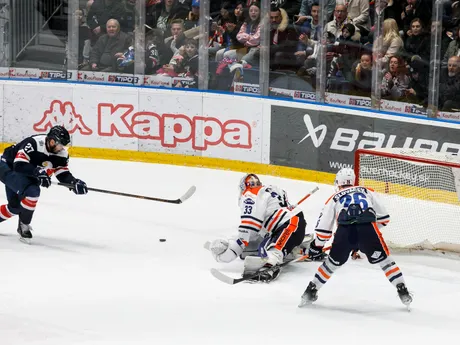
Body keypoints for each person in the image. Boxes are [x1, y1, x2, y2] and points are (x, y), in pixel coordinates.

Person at [298, 168, 412, 308]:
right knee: (386, 262)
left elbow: (323, 231)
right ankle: (402, 290)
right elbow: (384, 219)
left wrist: (316, 247)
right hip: (368, 230)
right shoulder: (367, 190)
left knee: (330, 265)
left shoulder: (334, 198)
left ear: (338, 182)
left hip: (344, 232)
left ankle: (310, 291)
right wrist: (365, 234)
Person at [209, 173, 306, 283]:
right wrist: (236, 244)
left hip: (289, 225)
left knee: (272, 252)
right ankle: (297, 248)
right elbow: (255, 232)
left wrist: (231, 251)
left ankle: (269, 267)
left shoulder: (250, 194)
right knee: (261, 245)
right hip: (291, 224)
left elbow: (249, 228)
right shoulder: (271, 189)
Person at [0, 126, 88, 240]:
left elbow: (62, 174)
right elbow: (19, 165)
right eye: (60, 144)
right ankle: (24, 225)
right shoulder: (34, 143)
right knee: (32, 192)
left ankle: (21, 221)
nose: (62, 148)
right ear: (52, 141)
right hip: (8, 167)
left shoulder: (61, 154)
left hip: (26, 173)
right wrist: (38, 172)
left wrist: (73, 183)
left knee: (16, 206)